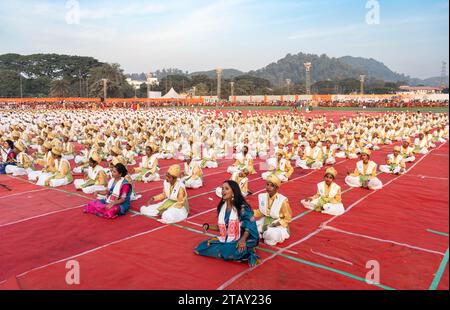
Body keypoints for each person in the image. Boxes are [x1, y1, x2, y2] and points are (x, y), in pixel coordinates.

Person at [194, 180, 261, 267]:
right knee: (202, 247)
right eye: (222, 189)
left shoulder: (242, 207)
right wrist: (208, 226)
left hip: (242, 238)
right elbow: (223, 228)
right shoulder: (222, 206)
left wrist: (243, 239)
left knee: (232, 249)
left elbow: (249, 225)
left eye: (226, 189)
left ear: (233, 192)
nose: (223, 191)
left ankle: (247, 252)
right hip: (226, 238)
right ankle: (224, 251)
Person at [254, 175, 292, 246]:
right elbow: (260, 212)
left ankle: (263, 233)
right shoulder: (262, 196)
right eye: (267, 184)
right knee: (249, 226)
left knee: (270, 236)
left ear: (277, 188)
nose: (268, 187)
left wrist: (276, 224)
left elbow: (288, 218)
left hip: (277, 223)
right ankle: (262, 233)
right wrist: (249, 213)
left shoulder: (282, 200)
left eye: (272, 186)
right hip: (265, 220)